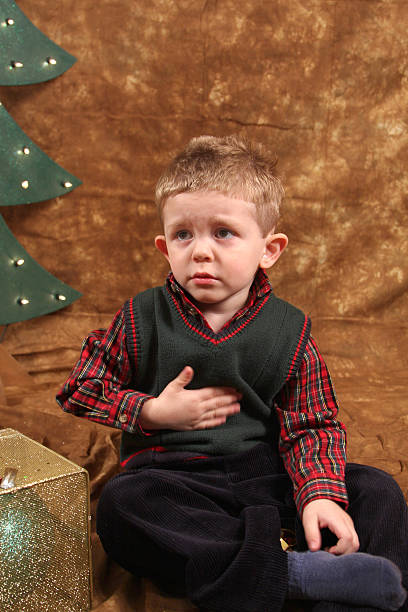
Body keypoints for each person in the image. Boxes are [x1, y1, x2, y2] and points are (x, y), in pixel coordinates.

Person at [57, 135, 408, 612]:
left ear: (269, 249)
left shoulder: (290, 330)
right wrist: (151, 409)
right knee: (121, 508)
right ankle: (292, 574)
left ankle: (354, 591)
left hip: (263, 474)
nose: (201, 251)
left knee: (377, 491)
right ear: (165, 247)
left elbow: (313, 424)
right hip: (174, 481)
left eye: (223, 232)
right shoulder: (142, 316)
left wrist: (318, 496)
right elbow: (80, 388)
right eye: (184, 234)